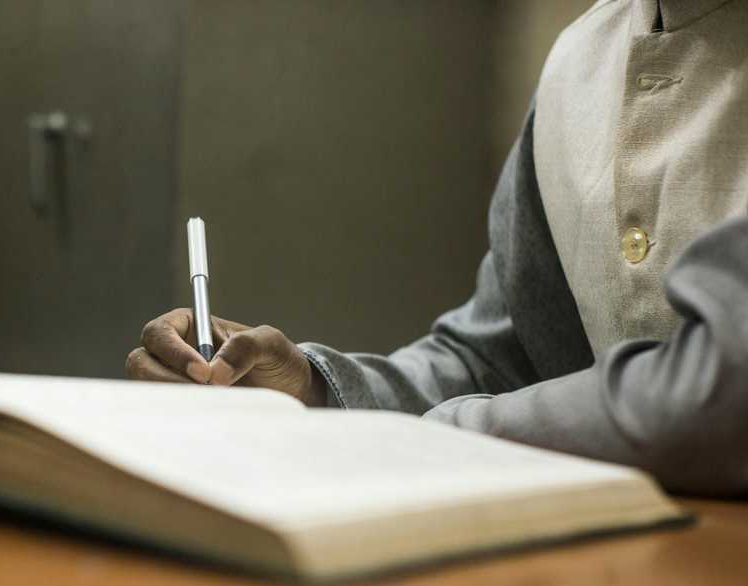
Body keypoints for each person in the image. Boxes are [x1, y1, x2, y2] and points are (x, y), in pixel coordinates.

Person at [125, 0, 748, 496]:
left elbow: (723, 389)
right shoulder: (579, 61)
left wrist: (447, 435)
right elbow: (502, 361)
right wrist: (309, 394)